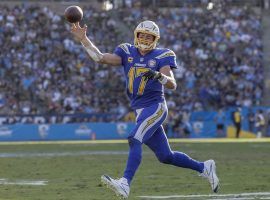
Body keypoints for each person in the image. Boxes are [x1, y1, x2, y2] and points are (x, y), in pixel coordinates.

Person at [70, 20, 219, 199]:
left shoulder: (163, 55)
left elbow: (172, 84)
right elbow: (100, 57)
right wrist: (84, 39)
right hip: (141, 110)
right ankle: (204, 167)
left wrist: (159, 75)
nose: (146, 39)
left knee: (135, 138)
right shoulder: (127, 51)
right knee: (166, 156)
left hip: (156, 107)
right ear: (136, 35)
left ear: (155, 39)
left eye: (150, 37)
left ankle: (125, 183)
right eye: (143, 35)